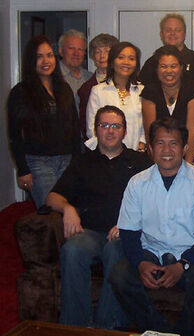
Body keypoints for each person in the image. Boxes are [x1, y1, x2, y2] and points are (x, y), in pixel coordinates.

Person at [109, 118, 194, 335]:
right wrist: (140, 262)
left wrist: (183, 264)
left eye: (174, 143)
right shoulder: (137, 183)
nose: (167, 150)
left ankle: (184, 332)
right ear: (150, 149)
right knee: (119, 275)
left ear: (185, 148)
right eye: (160, 143)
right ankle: (157, 330)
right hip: (150, 251)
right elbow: (128, 231)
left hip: (190, 255)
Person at [45, 105, 151, 329]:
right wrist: (68, 209)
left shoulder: (141, 163)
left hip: (126, 234)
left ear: (124, 131)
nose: (110, 131)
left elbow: (156, 202)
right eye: (104, 126)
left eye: (116, 126)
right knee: (72, 249)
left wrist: (129, 224)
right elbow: (52, 197)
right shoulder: (82, 163)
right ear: (95, 130)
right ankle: (75, 327)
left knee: (115, 249)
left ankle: (107, 328)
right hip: (90, 233)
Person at [7, 35, 80, 208]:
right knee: (50, 212)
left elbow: (74, 127)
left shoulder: (64, 89)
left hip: (67, 160)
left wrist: (77, 162)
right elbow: (15, 134)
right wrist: (23, 170)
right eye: (39, 56)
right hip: (38, 162)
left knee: (70, 210)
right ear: (31, 61)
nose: (46, 60)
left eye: (49, 55)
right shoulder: (20, 92)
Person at [141, 45, 194, 163]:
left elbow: (192, 129)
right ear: (157, 69)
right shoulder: (149, 92)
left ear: (181, 68)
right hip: (158, 158)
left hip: (187, 155)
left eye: (173, 66)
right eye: (163, 66)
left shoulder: (193, 89)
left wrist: (188, 166)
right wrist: (157, 166)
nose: (169, 71)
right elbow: (150, 132)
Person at [85, 42, 146, 152]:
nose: (126, 62)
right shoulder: (98, 91)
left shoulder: (142, 91)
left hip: (136, 156)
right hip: (106, 157)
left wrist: (142, 144)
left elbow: (146, 126)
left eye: (131, 58)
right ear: (112, 62)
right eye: (121, 57)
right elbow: (92, 130)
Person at [138, 13, 194, 87]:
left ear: (184, 34)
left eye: (178, 30)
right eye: (168, 30)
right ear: (161, 34)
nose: (172, 33)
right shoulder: (151, 63)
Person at [78, 33, 119, 140]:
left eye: (107, 51)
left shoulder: (123, 82)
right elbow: (85, 123)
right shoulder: (86, 89)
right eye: (98, 51)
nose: (102, 56)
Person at [58, 29, 93, 108]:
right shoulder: (52, 77)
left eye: (80, 49)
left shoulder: (90, 78)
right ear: (60, 51)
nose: (76, 53)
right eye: (71, 48)